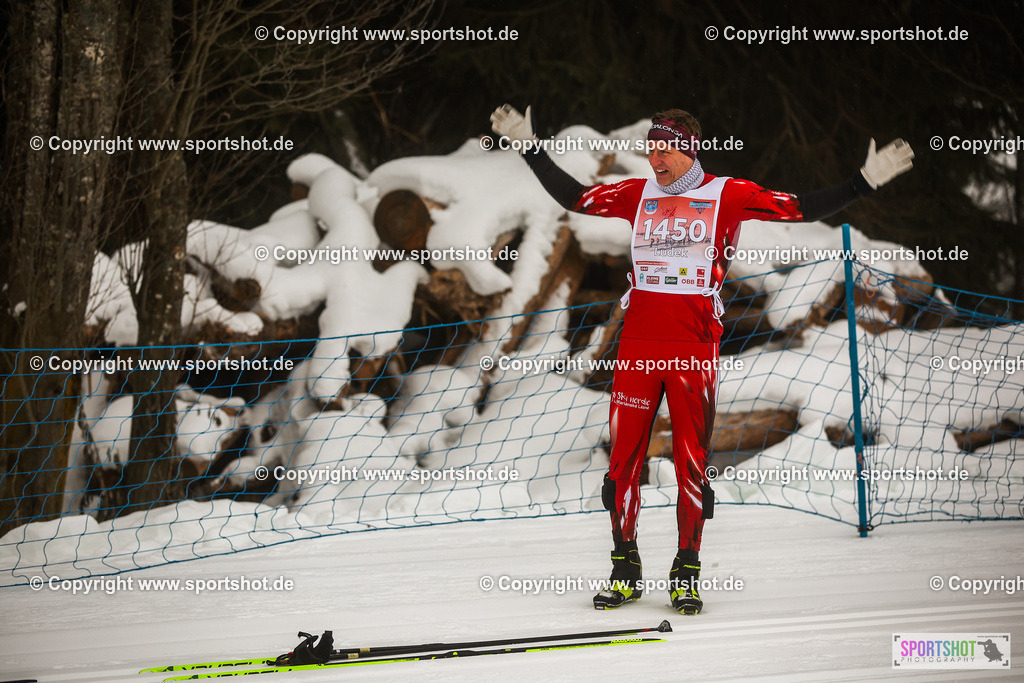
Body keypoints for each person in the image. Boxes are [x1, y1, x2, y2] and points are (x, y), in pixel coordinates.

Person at [490, 104, 914, 614]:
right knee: (623, 461)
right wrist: (528, 146)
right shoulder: (637, 193)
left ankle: (686, 571)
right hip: (639, 350)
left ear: (689, 148)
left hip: (693, 351)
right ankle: (625, 566)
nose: (654, 157)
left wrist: (863, 182)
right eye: (650, 147)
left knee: (692, 461)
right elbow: (576, 196)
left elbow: (800, 207)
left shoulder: (726, 194)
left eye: (664, 147)